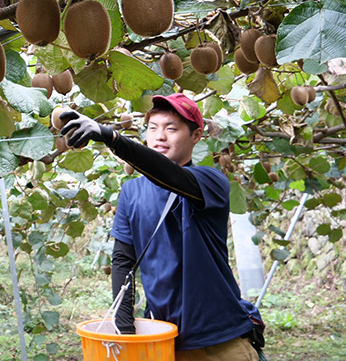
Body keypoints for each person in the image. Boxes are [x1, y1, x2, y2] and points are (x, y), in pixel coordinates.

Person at [59, 93, 265, 361]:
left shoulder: (211, 181)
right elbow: (123, 260)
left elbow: (171, 176)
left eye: (171, 128)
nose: (160, 136)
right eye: (152, 128)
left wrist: (112, 138)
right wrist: (124, 328)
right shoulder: (131, 191)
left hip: (220, 338)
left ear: (196, 136)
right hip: (162, 337)